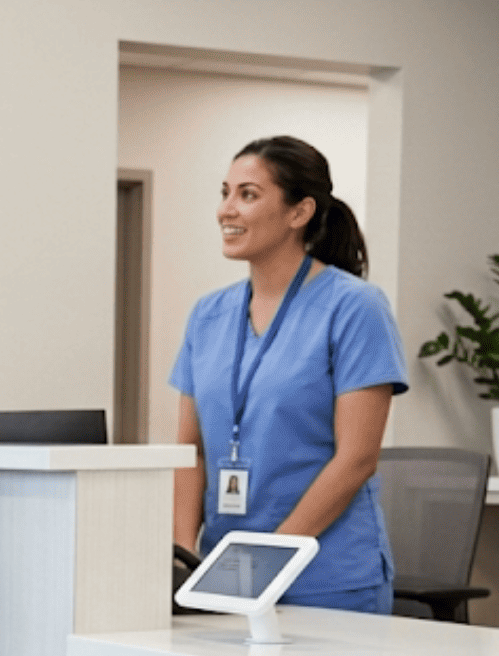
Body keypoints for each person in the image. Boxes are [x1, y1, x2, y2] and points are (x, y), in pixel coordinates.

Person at [171, 135, 407, 612]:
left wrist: (269, 560)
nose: (227, 209)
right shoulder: (208, 315)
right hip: (224, 574)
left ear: (300, 212)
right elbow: (191, 450)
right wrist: (182, 557)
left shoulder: (355, 308)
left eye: (248, 194)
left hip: (327, 577)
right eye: (225, 193)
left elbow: (357, 457)